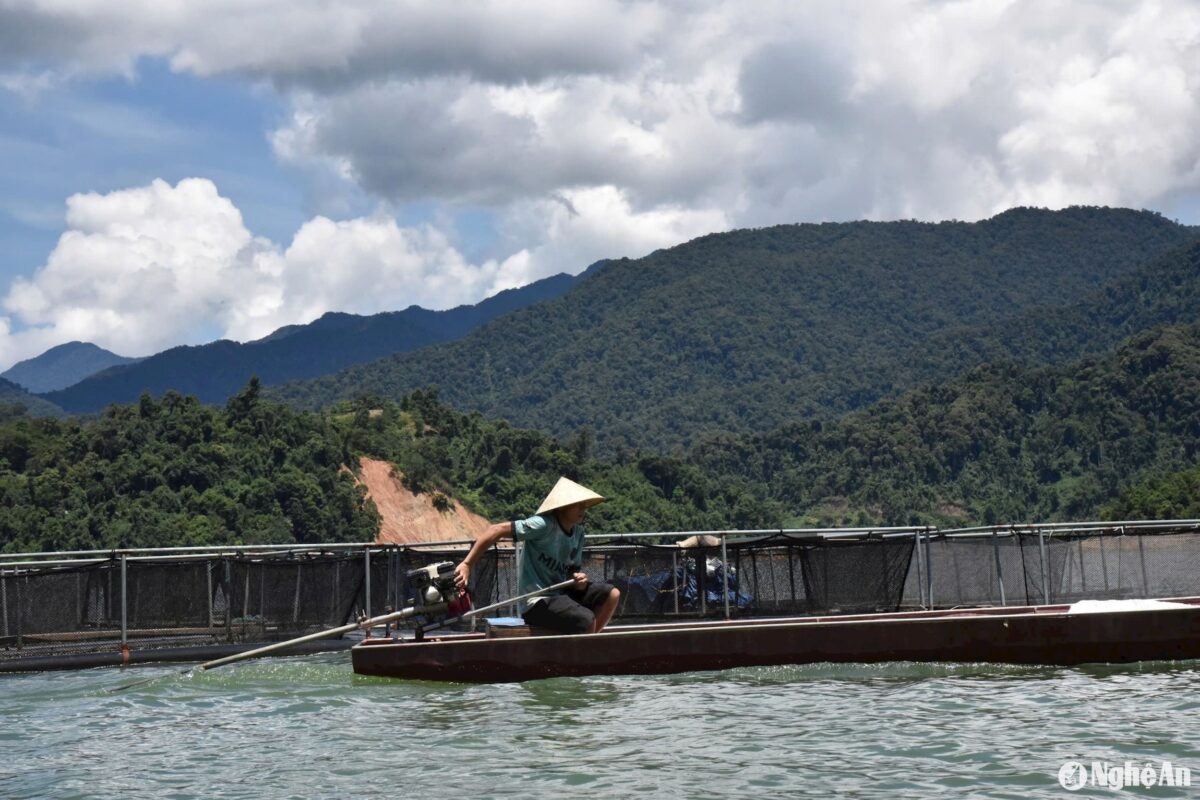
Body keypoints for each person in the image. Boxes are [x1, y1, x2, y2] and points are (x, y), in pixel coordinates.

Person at [453, 476, 620, 634]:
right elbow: (495, 530)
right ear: (563, 506)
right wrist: (467, 564)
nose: (583, 509)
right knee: (586, 620)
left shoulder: (578, 533)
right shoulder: (543, 525)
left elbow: (572, 573)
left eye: (585, 505)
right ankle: (581, 654)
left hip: (561, 594)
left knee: (612, 595)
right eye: (578, 504)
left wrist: (579, 581)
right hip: (537, 602)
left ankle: (588, 642)